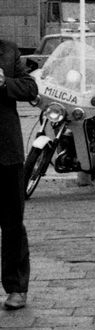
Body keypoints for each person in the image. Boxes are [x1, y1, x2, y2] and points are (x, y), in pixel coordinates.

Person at [1, 37, 37, 310]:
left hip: (6, 152)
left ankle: (16, 288)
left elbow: (30, 87)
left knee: (13, 223)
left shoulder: (8, 50)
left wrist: (5, 83)